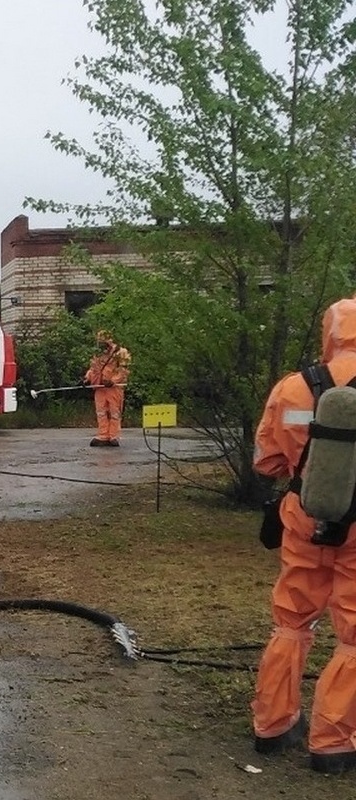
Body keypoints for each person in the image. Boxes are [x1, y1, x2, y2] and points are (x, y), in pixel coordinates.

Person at [251, 297, 356, 774]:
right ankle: (332, 743)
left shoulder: (294, 388)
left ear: (329, 333)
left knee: (291, 622)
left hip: (304, 519)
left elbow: (267, 462)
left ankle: (272, 725)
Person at [83, 329, 130, 447]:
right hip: (99, 386)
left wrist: (113, 381)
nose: (101, 344)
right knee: (101, 412)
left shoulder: (121, 352)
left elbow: (124, 371)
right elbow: (93, 368)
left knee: (114, 412)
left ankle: (113, 436)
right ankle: (103, 435)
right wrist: (87, 378)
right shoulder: (98, 353)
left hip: (114, 388)